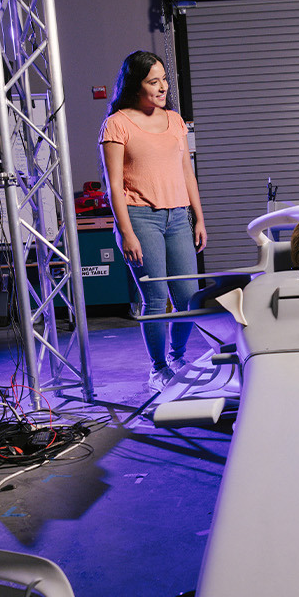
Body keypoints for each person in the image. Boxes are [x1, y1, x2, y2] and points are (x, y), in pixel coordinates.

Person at [99, 50, 208, 391]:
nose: (162, 88)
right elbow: (113, 185)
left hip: (178, 217)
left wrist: (199, 218)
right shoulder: (117, 124)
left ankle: (177, 356)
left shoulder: (174, 120)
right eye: (153, 82)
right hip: (140, 218)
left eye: (164, 80)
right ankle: (158, 368)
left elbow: (187, 173)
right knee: (156, 297)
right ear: (135, 85)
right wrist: (126, 232)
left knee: (189, 296)